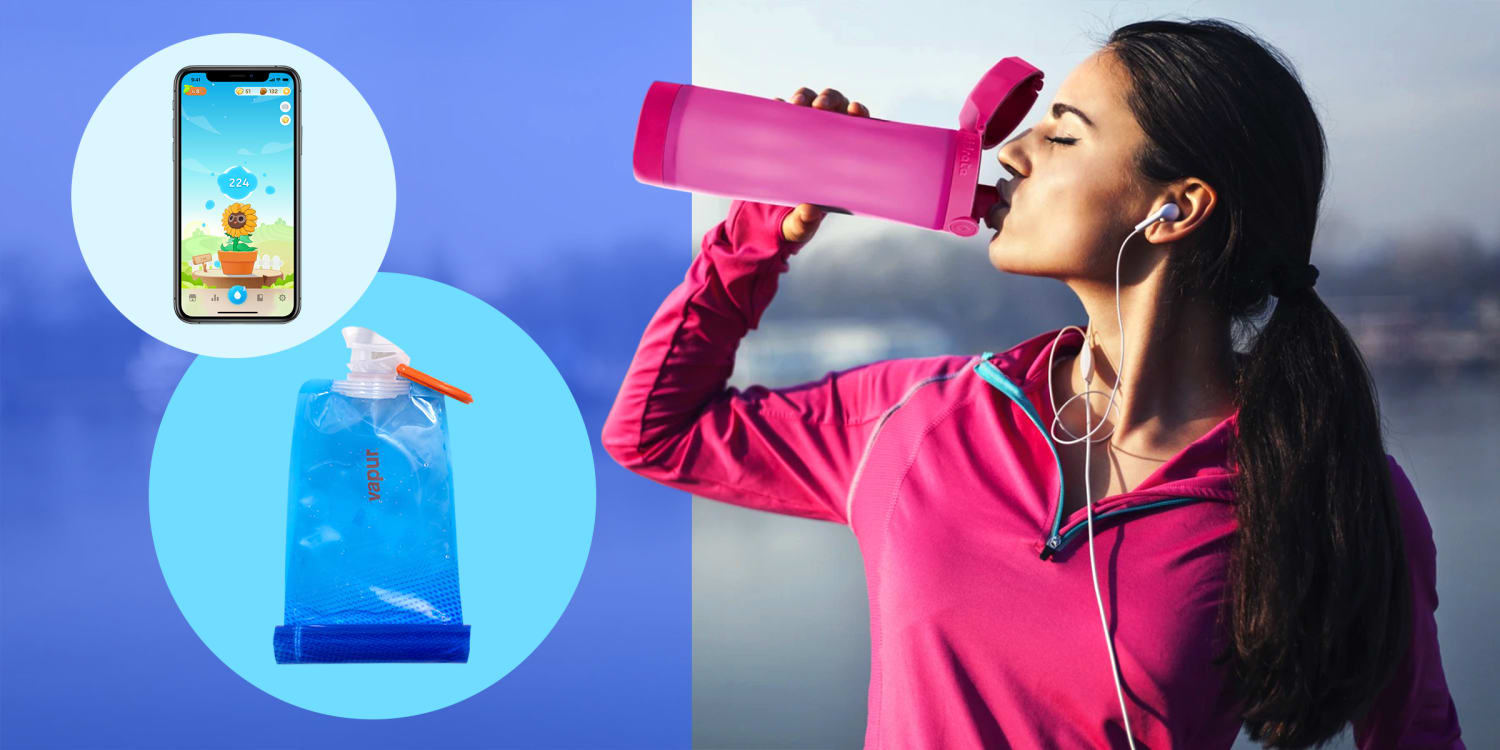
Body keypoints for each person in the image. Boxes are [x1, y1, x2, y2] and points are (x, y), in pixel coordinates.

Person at [603, 18, 1464, 749]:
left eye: (1062, 135)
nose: (1010, 153)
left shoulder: (1327, 483)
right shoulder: (923, 416)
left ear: (1176, 207)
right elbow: (654, 431)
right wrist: (760, 232)